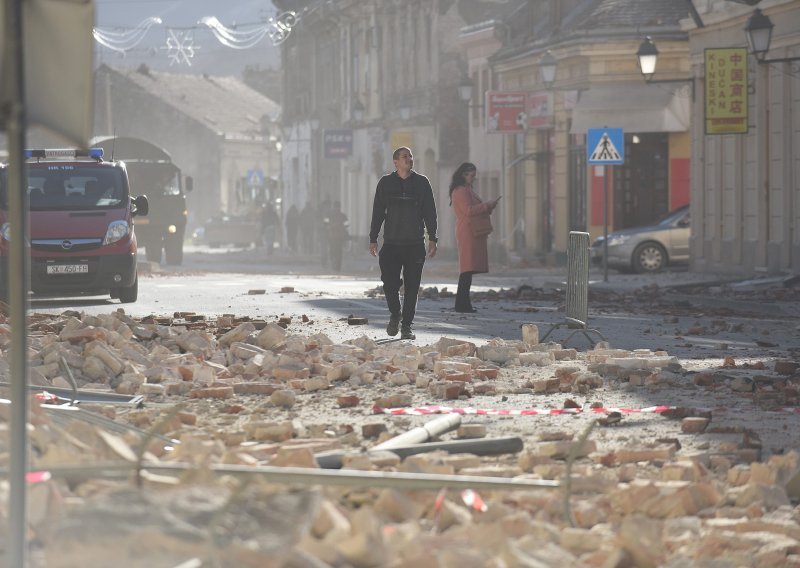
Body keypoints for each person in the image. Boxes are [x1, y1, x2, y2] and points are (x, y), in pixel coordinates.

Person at [369, 147, 438, 340]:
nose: (409, 159)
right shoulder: (386, 183)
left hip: (414, 244)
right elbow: (378, 212)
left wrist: (433, 237)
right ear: (396, 162)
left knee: (412, 286)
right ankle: (395, 313)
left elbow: (430, 212)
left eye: (410, 156)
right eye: (404, 157)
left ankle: (407, 326)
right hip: (391, 243)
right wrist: (373, 238)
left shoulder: (422, 183)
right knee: (389, 283)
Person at [449, 162, 500, 313]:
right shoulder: (460, 191)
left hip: (472, 230)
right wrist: (487, 205)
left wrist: (488, 207)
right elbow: (468, 211)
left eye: (474, 176)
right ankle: (462, 305)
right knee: (466, 269)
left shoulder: (466, 189)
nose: (473, 179)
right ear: (463, 175)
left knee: (468, 270)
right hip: (468, 231)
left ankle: (464, 304)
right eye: (471, 176)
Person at [326, 201, 349, 272]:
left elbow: (325, 223)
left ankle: (333, 262)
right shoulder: (342, 215)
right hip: (339, 236)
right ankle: (337, 266)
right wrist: (342, 227)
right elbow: (347, 224)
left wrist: (329, 226)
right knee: (338, 251)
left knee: (333, 250)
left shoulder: (330, 215)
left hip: (332, 236)